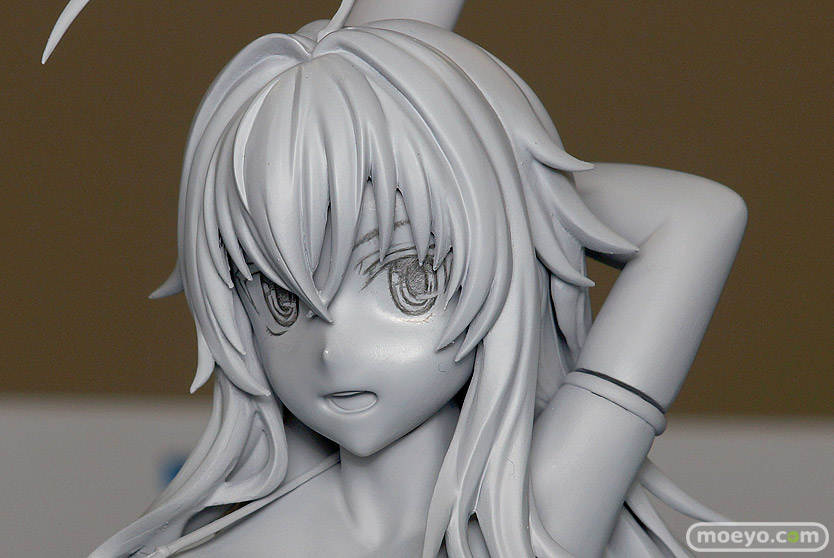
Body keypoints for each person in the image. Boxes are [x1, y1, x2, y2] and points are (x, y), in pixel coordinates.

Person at [44, 2, 747, 557]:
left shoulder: (522, 519)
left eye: (408, 279)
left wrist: (501, 190)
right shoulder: (214, 536)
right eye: (282, 300)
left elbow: (698, 220)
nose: (331, 350)